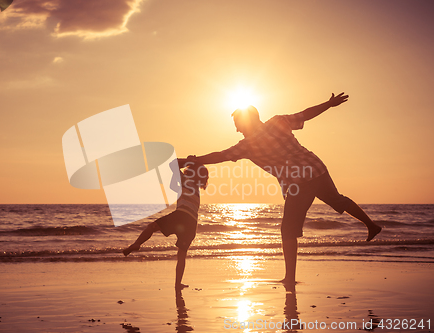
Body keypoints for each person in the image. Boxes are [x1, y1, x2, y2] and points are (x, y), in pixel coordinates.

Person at [187, 92, 382, 284]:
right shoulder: (277, 122)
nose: (238, 130)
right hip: (316, 167)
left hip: (300, 181)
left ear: (246, 122)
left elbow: (220, 156)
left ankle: (290, 278)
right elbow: (306, 114)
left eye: (238, 125)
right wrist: (328, 104)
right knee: (338, 199)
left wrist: (196, 160)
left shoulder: (248, 145)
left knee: (288, 230)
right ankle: (371, 225)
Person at [123, 160, 209, 289]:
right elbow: (173, 186)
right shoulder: (195, 187)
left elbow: (172, 164)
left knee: (152, 227)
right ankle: (177, 284)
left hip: (181, 216)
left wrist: (189, 160)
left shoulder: (186, 180)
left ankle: (137, 244)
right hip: (192, 223)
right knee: (181, 256)